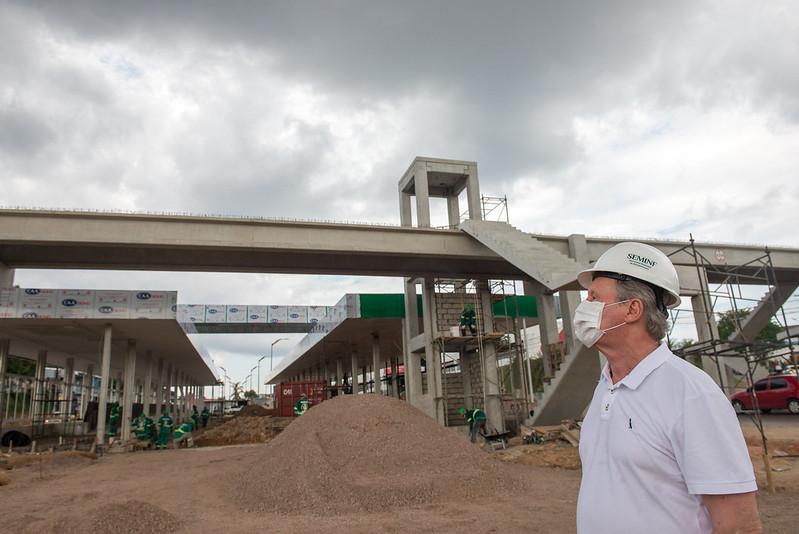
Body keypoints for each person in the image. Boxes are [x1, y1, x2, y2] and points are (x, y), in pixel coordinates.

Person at [573, 242, 761, 533]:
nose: (583, 308)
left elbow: (738, 525)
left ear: (632, 310)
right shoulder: (606, 385)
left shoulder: (691, 395)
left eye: (594, 298)